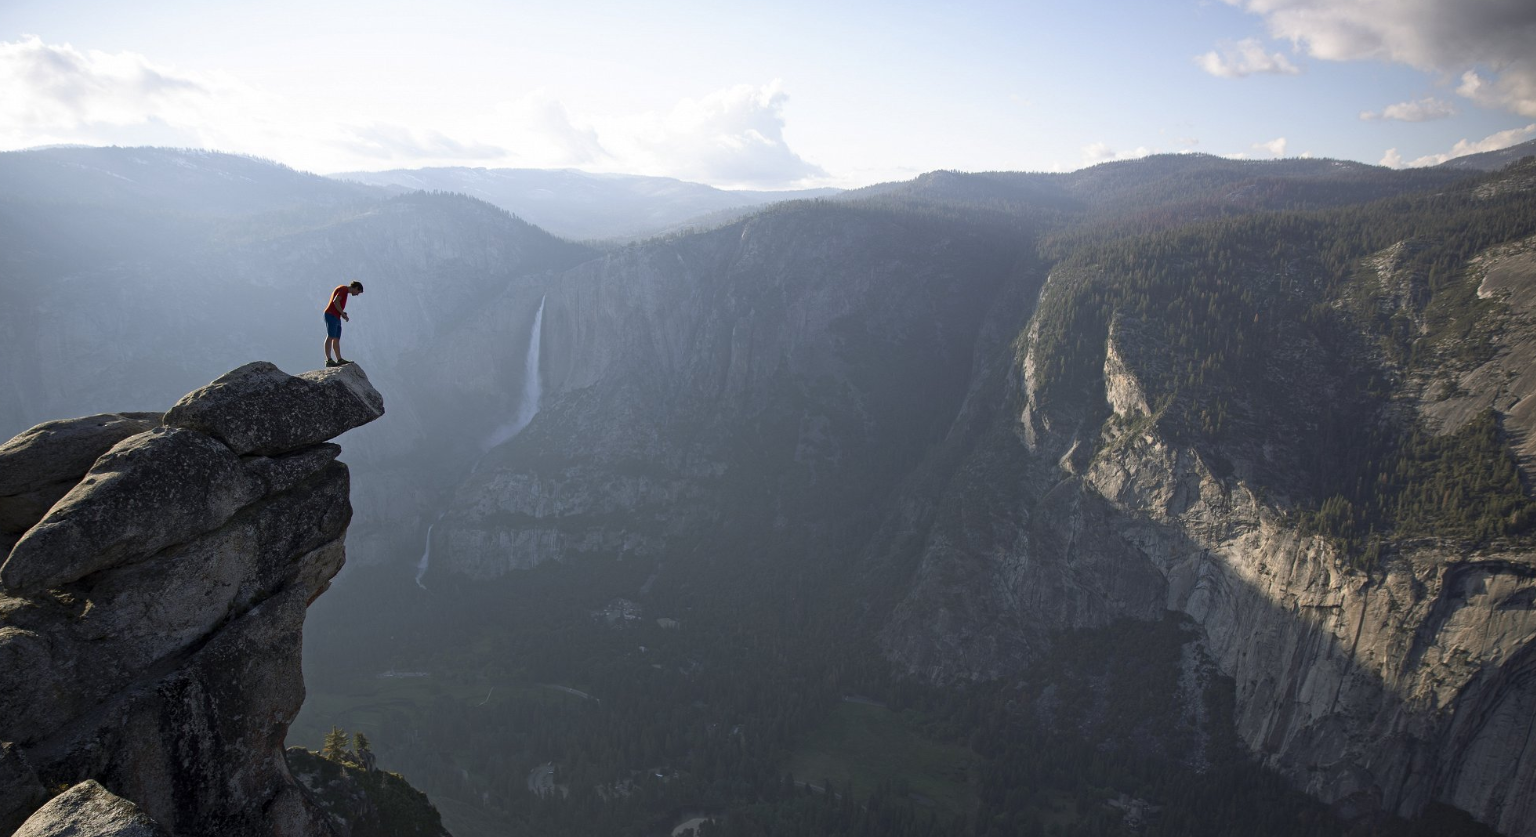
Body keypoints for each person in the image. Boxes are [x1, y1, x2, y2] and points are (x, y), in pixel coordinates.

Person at [323, 281, 364, 367]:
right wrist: (342, 313)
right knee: (330, 336)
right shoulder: (344, 289)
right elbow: (336, 301)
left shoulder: (345, 291)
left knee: (336, 338)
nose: (357, 294)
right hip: (331, 314)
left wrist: (342, 313)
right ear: (356, 288)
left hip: (336, 316)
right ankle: (329, 360)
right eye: (358, 292)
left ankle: (339, 359)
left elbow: (337, 304)